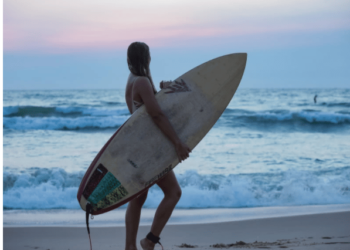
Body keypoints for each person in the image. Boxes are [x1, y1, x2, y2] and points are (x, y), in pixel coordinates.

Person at [124, 42, 191, 250]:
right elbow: (156, 115)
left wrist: (161, 89)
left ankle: (130, 247)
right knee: (174, 193)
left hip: (138, 146)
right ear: (147, 58)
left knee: (138, 197)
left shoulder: (133, 80)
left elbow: (145, 109)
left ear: (129, 60)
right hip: (150, 150)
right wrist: (178, 143)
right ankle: (149, 241)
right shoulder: (142, 81)